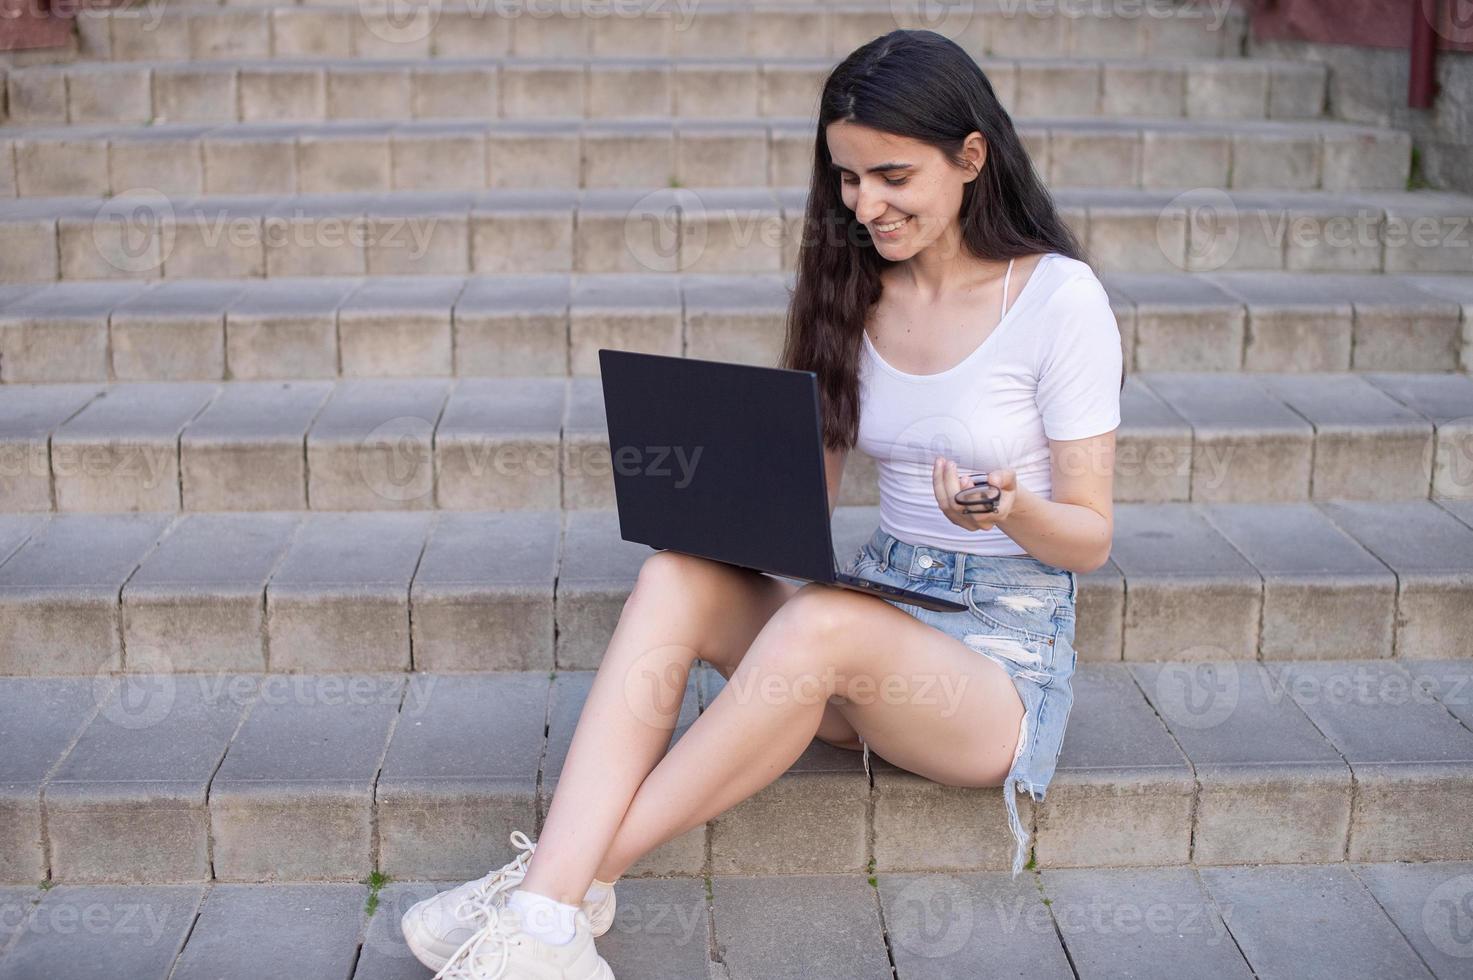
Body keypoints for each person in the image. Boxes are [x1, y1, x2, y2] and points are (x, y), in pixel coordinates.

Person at [401, 28, 1123, 979]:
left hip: (995, 672)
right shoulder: (853, 290)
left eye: (892, 176)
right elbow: (804, 525)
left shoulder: (1056, 301)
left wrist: (1007, 509)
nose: (865, 204)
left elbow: (1090, 538)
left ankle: (547, 899)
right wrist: (724, 503)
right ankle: (548, 918)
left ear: (971, 158)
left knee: (825, 625)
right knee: (676, 578)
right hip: (875, 617)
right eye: (847, 179)